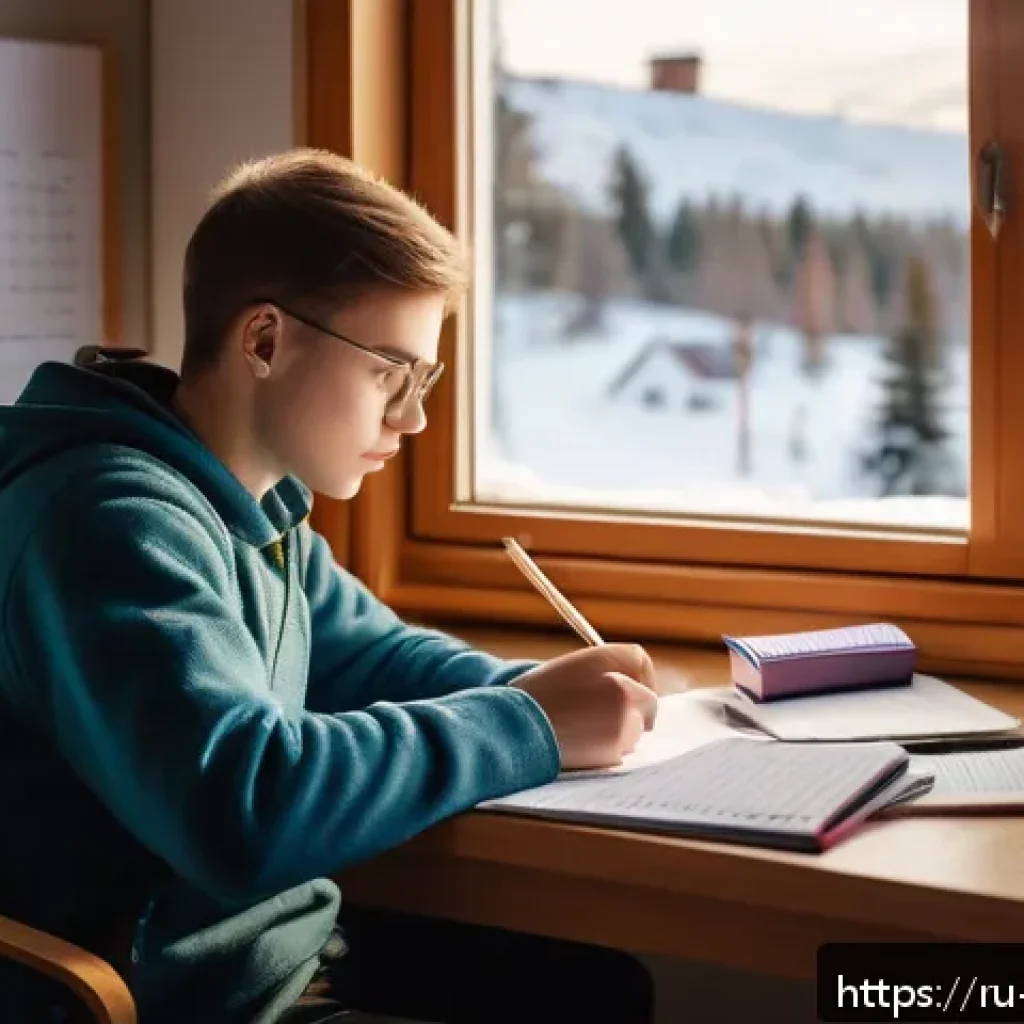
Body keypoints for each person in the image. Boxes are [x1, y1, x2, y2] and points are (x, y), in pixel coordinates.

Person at [0, 149, 658, 1023]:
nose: (413, 417)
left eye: (424, 379)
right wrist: (530, 725)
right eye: (391, 372)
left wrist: (532, 690)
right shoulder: (109, 519)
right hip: (172, 999)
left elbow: (371, 654)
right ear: (264, 340)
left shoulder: (251, 501)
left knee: (596, 984)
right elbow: (244, 805)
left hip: (275, 960)